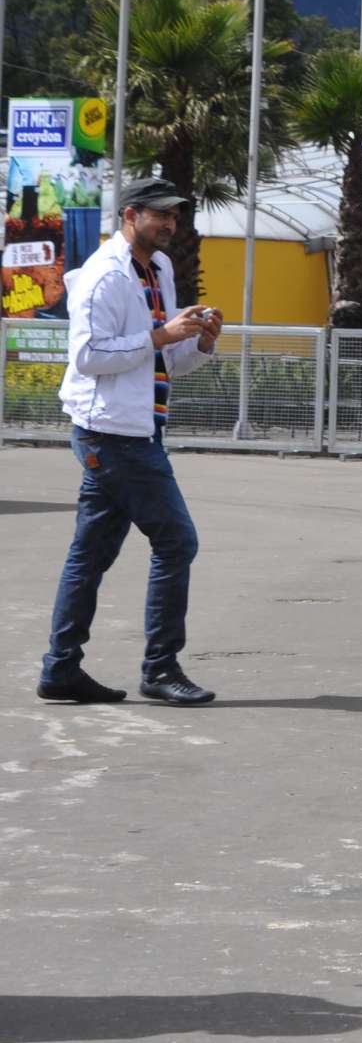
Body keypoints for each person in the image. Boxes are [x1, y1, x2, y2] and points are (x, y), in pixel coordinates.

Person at [37, 177, 223, 706]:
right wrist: (162, 335)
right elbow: (89, 357)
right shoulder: (102, 277)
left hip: (139, 427)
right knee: (176, 540)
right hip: (110, 434)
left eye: (174, 216)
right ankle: (160, 668)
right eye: (159, 215)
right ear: (129, 215)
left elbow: (162, 360)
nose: (168, 224)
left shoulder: (158, 269)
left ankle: (60, 670)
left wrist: (200, 343)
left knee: (89, 555)